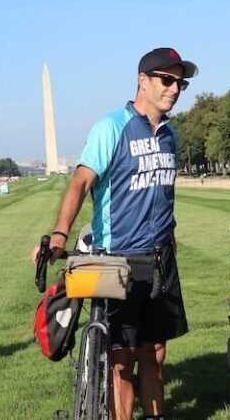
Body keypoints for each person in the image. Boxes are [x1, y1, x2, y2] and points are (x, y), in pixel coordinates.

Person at [30, 47, 197, 420]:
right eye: (167, 80)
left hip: (161, 258)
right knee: (122, 357)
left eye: (180, 83)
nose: (174, 89)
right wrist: (60, 234)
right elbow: (80, 182)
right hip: (119, 257)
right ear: (143, 80)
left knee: (155, 352)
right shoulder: (111, 127)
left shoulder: (171, 134)